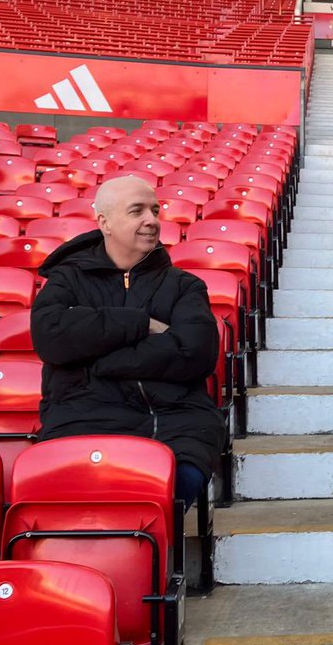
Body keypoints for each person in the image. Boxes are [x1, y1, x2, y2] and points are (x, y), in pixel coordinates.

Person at [30, 174, 226, 509]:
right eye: (137, 211)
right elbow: (51, 337)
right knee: (58, 492)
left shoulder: (184, 286)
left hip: (172, 424)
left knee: (174, 484)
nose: (151, 220)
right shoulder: (67, 280)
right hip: (82, 421)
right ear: (104, 222)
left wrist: (98, 361)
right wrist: (141, 324)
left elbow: (195, 352)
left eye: (155, 210)